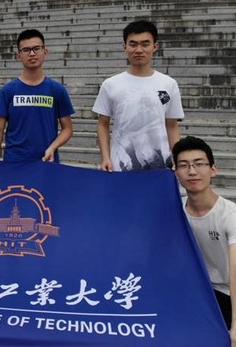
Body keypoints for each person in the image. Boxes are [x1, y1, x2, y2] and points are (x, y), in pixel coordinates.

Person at [93, 20, 184, 172]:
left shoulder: (168, 84)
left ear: (155, 46)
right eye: (133, 44)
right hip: (121, 165)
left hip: (161, 165)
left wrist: (178, 158)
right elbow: (103, 124)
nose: (139, 50)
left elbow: (172, 125)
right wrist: (106, 158)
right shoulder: (110, 84)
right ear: (125, 47)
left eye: (145, 44)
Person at [173, 136, 236, 344]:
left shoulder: (230, 215)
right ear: (175, 172)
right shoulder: (174, 211)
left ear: (213, 170)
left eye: (199, 164)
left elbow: (235, 274)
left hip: (225, 293)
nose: (192, 171)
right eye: (184, 165)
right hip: (193, 290)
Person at [0, 28, 75, 162]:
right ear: (18, 56)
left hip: (46, 163)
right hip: (14, 163)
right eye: (26, 50)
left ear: (45, 51)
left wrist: (52, 147)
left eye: (36, 48)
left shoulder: (57, 90)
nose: (32, 54)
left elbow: (67, 129)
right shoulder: (7, 91)